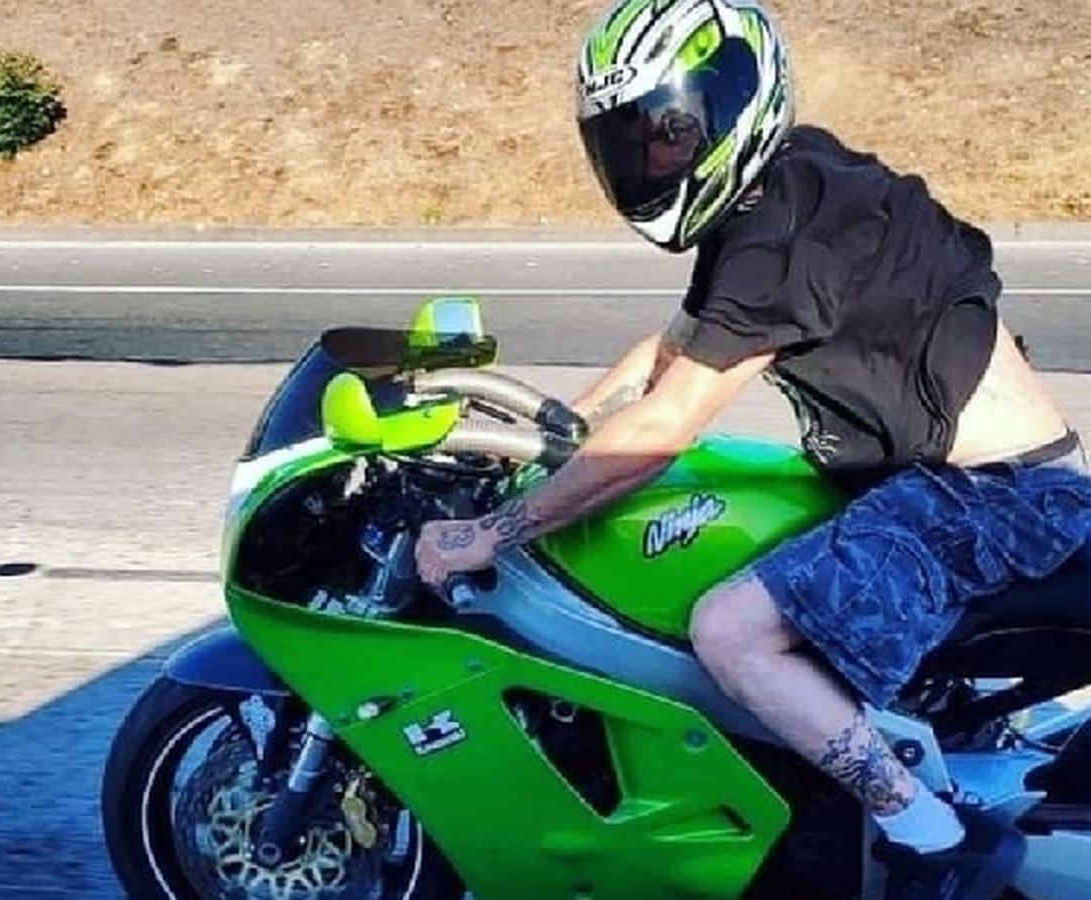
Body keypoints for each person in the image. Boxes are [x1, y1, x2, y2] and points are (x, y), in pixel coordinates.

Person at [414, 1, 1091, 897]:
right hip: (970, 484)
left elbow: (662, 430)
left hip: (993, 501)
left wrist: (494, 532)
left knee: (732, 628)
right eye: (628, 141)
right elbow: (670, 355)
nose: (649, 160)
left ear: (731, 106)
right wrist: (551, 433)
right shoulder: (785, 190)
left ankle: (932, 835)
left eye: (667, 134)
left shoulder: (781, 236)